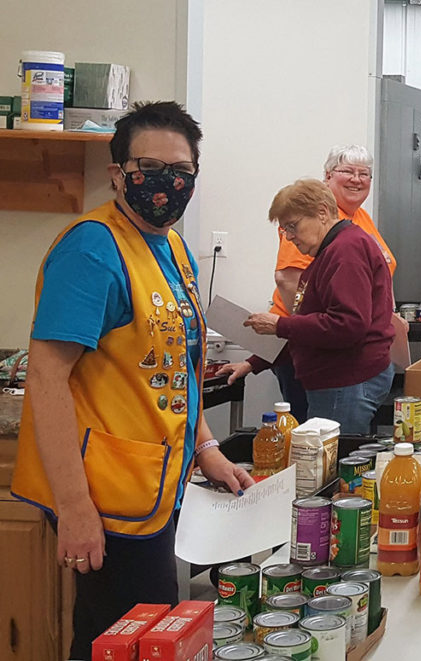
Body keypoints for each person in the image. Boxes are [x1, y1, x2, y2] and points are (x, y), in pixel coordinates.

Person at [10, 101, 254, 658]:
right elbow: (47, 380)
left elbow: (174, 369)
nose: (168, 182)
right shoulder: (93, 249)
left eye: (182, 171)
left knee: (148, 634)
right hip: (103, 497)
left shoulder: (172, 248)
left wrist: (206, 448)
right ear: (118, 173)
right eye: (151, 168)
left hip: (152, 488)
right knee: (123, 641)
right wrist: (74, 509)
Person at [223, 145, 399, 421]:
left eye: (292, 226)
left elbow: (348, 325)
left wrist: (279, 325)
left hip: (345, 382)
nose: (289, 237)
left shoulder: (345, 251)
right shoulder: (328, 251)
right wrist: (255, 362)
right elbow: (310, 322)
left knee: (329, 461)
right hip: (339, 381)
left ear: (321, 213)